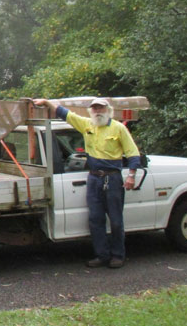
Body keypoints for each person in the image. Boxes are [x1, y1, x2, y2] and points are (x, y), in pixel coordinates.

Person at [32, 97, 140, 269]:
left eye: (101, 108)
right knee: (95, 219)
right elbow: (64, 113)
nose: (98, 111)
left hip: (112, 178)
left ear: (108, 110)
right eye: (95, 108)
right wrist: (46, 102)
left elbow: (133, 153)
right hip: (94, 179)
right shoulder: (86, 125)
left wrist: (131, 176)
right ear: (91, 111)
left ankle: (118, 256)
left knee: (116, 220)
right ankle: (101, 255)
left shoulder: (118, 128)